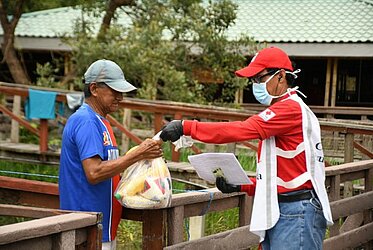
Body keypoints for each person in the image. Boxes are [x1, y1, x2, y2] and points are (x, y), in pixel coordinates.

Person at [160, 47, 333, 249]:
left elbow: (243, 129)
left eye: (260, 78)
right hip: (285, 208)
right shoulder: (283, 108)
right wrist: (243, 185)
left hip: (296, 211)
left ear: (281, 76)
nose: (255, 85)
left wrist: (187, 127)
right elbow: (284, 175)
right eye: (253, 80)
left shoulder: (290, 108)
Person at [59, 59, 163, 250]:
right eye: (114, 91)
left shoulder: (102, 122)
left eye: (121, 92)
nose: (120, 97)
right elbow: (94, 173)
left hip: (101, 228)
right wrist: (138, 153)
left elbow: (109, 169)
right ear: (94, 89)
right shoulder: (86, 121)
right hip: (87, 230)